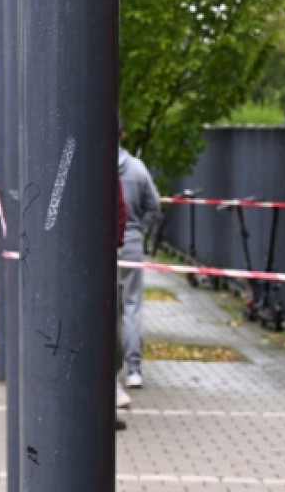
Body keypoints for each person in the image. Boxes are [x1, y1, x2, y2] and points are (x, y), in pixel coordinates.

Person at [118, 131, 161, 390]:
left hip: (101, 246)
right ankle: (134, 369)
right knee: (131, 306)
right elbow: (154, 205)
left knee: (104, 307)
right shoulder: (136, 167)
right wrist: (139, 231)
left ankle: (105, 369)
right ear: (122, 134)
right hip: (131, 244)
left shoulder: (91, 165)